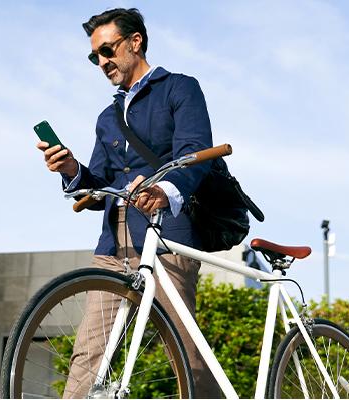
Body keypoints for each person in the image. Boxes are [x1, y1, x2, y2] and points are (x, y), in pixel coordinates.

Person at [37, 8, 221, 399]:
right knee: (89, 352)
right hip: (113, 242)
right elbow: (99, 184)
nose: (102, 62)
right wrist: (70, 168)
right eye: (95, 57)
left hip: (166, 231)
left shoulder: (180, 89)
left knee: (184, 351)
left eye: (107, 50)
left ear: (135, 42)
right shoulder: (107, 117)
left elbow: (194, 152)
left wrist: (165, 190)